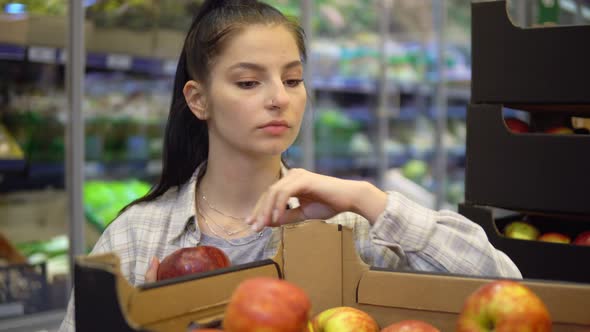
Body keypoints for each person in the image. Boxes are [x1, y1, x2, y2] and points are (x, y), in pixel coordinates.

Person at [58, 0, 521, 330]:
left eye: (293, 79)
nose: (279, 98)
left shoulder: (346, 226)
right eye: (248, 82)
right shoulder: (137, 238)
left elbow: (508, 288)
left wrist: (368, 200)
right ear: (198, 100)